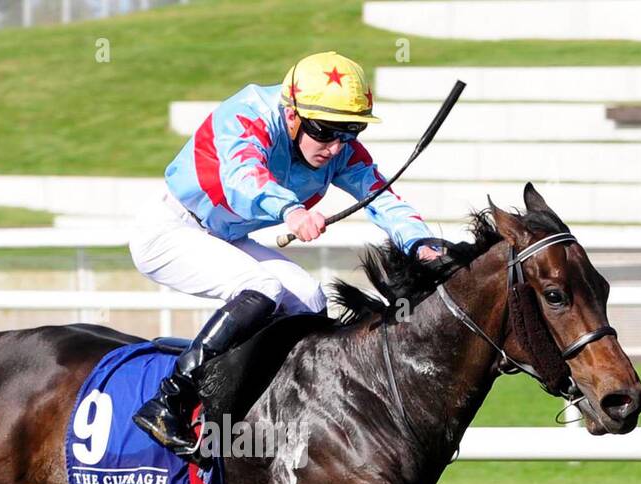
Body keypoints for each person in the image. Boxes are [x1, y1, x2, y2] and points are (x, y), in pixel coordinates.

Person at [129, 50, 445, 458]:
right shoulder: (246, 114)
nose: (336, 147)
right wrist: (290, 210)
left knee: (309, 300)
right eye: (326, 131)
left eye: (350, 132)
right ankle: (169, 399)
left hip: (224, 236)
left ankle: (264, 413)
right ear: (292, 114)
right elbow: (243, 176)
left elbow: (379, 196)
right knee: (261, 286)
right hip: (168, 229)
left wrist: (419, 242)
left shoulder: (338, 148)